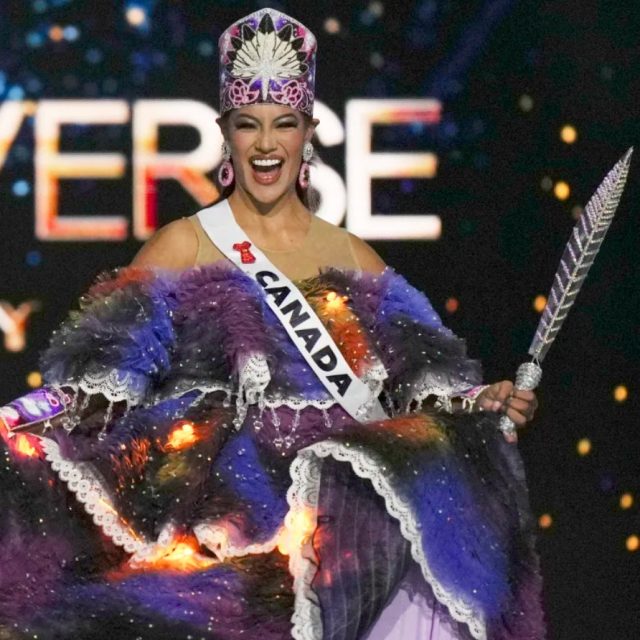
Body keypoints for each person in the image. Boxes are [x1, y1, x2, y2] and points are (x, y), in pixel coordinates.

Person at [0, 8, 544, 640]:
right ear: (224, 132)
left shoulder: (352, 259)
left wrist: (486, 403)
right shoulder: (183, 248)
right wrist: (23, 416)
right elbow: (101, 392)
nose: (266, 145)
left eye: (283, 124)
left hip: (342, 542)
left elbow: (420, 392)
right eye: (247, 125)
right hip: (224, 538)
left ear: (308, 131)